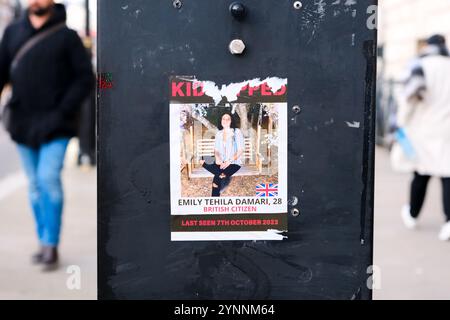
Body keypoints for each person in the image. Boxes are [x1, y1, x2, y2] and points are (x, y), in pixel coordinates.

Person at [0, 0, 94, 270]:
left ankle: (51, 243)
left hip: (57, 125)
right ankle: (43, 240)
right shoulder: (12, 33)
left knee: (47, 178)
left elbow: (85, 78)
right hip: (22, 124)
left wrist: (63, 110)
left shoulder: (67, 37)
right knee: (34, 186)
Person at [391, 34, 450, 241]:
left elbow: (410, 98)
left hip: (425, 130)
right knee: (447, 176)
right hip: (446, 131)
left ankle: (413, 214)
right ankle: (448, 222)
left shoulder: (420, 65)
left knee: (420, 174)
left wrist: (401, 123)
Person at [200, 112, 244, 197]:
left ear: (231, 121)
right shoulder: (219, 133)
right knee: (202, 159)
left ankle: (219, 181)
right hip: (221, 161)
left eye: (228, 119)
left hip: (233, 162)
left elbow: (240, 150)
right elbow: (216, 149)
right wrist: (217, 157)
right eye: (223, 118)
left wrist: (228, 161)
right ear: (221, 121)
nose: (225, 120)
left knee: (217, 180)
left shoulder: (237, 132)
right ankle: (222, 174)